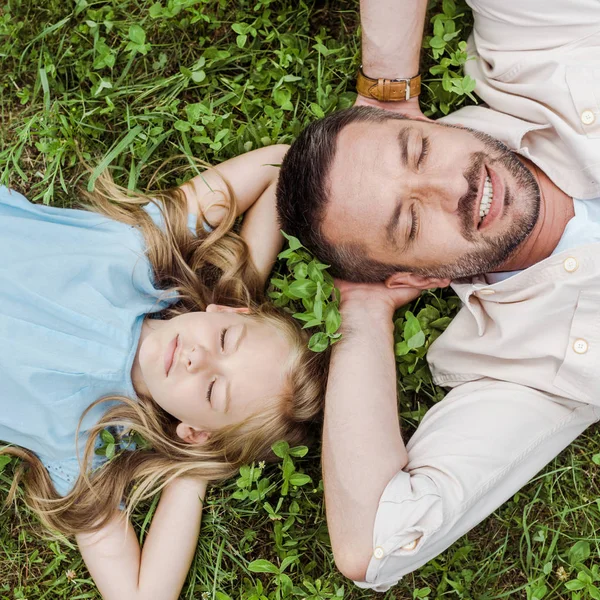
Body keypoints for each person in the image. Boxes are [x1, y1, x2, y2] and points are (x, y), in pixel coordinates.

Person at [276, 0, 600, 592]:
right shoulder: (518, 370)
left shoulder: (532, 50)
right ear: (414, 280)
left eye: (417, 152)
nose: (455, 187)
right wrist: (365, 309)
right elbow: (369, 543)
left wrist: (388, 89)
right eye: (410, 224)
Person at [1, 144, 328, 600]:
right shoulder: (139, 249)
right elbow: (282, 165)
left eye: (214, 390)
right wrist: (244, 287)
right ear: (224, 309)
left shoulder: (85, 439)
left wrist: (196, 467)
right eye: (225, 341)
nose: (198, 359)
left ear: (194, 431)